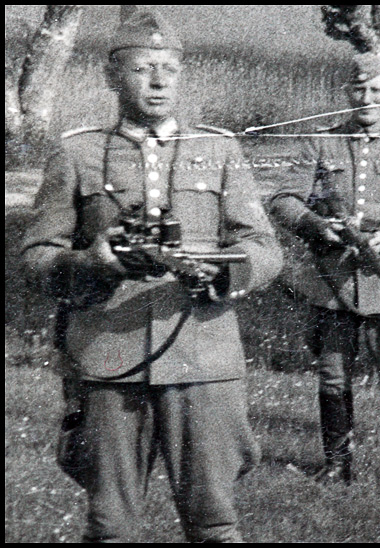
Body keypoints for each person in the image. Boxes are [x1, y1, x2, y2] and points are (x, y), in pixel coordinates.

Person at [20, 12, 283, 542]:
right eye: (144, 69)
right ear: (111, 76)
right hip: (107, 360)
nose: (160, 81)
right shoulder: (78, 153)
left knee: (215, 522)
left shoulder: (219, 150)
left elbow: (265, 248)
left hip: (203, 357)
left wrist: (226, 274)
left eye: (169, 69)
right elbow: (36, 255)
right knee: (111, 524)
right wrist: (91, 263)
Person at [268, 53, 380, 495]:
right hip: (334, 282)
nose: (366, 99)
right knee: (332, 375)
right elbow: (284, 199)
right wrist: (315, 226)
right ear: (347, 94)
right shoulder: (321, 143)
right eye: (358, 90)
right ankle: (337, 465)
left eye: (375, 91)